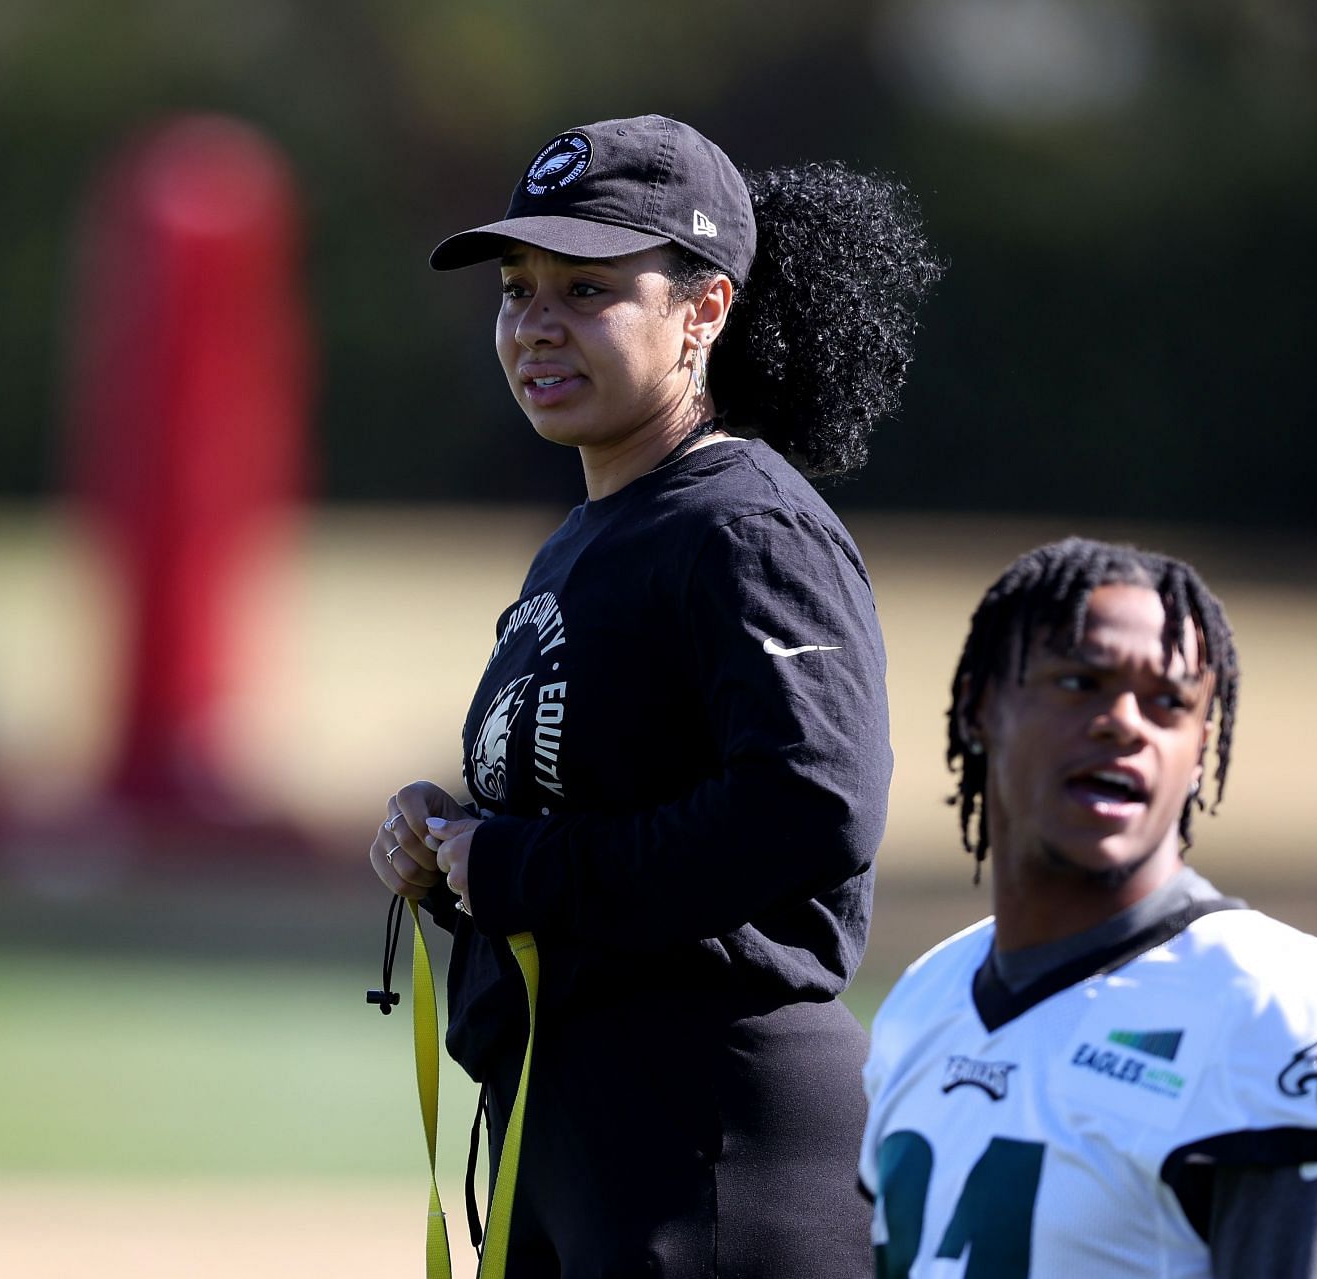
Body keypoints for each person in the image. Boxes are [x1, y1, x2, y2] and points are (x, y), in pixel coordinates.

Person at [368, 114, 942, 1276]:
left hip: (720, 1144)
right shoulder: (595, 533)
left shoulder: (749, 524)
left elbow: (811, 803)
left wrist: (519, 867)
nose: (536, 323)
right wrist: (455, 850)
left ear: (705, 310)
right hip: (585, 1142)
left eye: (588, 290)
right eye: (519, 289)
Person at [860, 538, 1317, 1278]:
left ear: (1201, 749)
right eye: (1080, 682)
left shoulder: (1272, 1014)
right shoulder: (925, 1001)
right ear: (980, 705)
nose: (1125, 723)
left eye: (1169, 702)